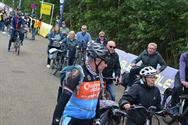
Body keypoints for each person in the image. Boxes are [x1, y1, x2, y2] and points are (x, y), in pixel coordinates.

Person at [51, 42, 109, 125]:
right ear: (97, 60)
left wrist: (97, 118)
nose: (106, 65)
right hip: (73, 119)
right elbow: (62, 101)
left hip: (89, 120)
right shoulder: (77, 73)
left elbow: (95, 98)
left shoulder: (98, 75)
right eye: (105, 62)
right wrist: (55, 122)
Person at [170, 52, 188, 125]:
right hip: (181, 76)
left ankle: (183, 118)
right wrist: (183, 80)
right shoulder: (184, 55)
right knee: (177, 88)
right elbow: (182, 68)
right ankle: (173, 106)